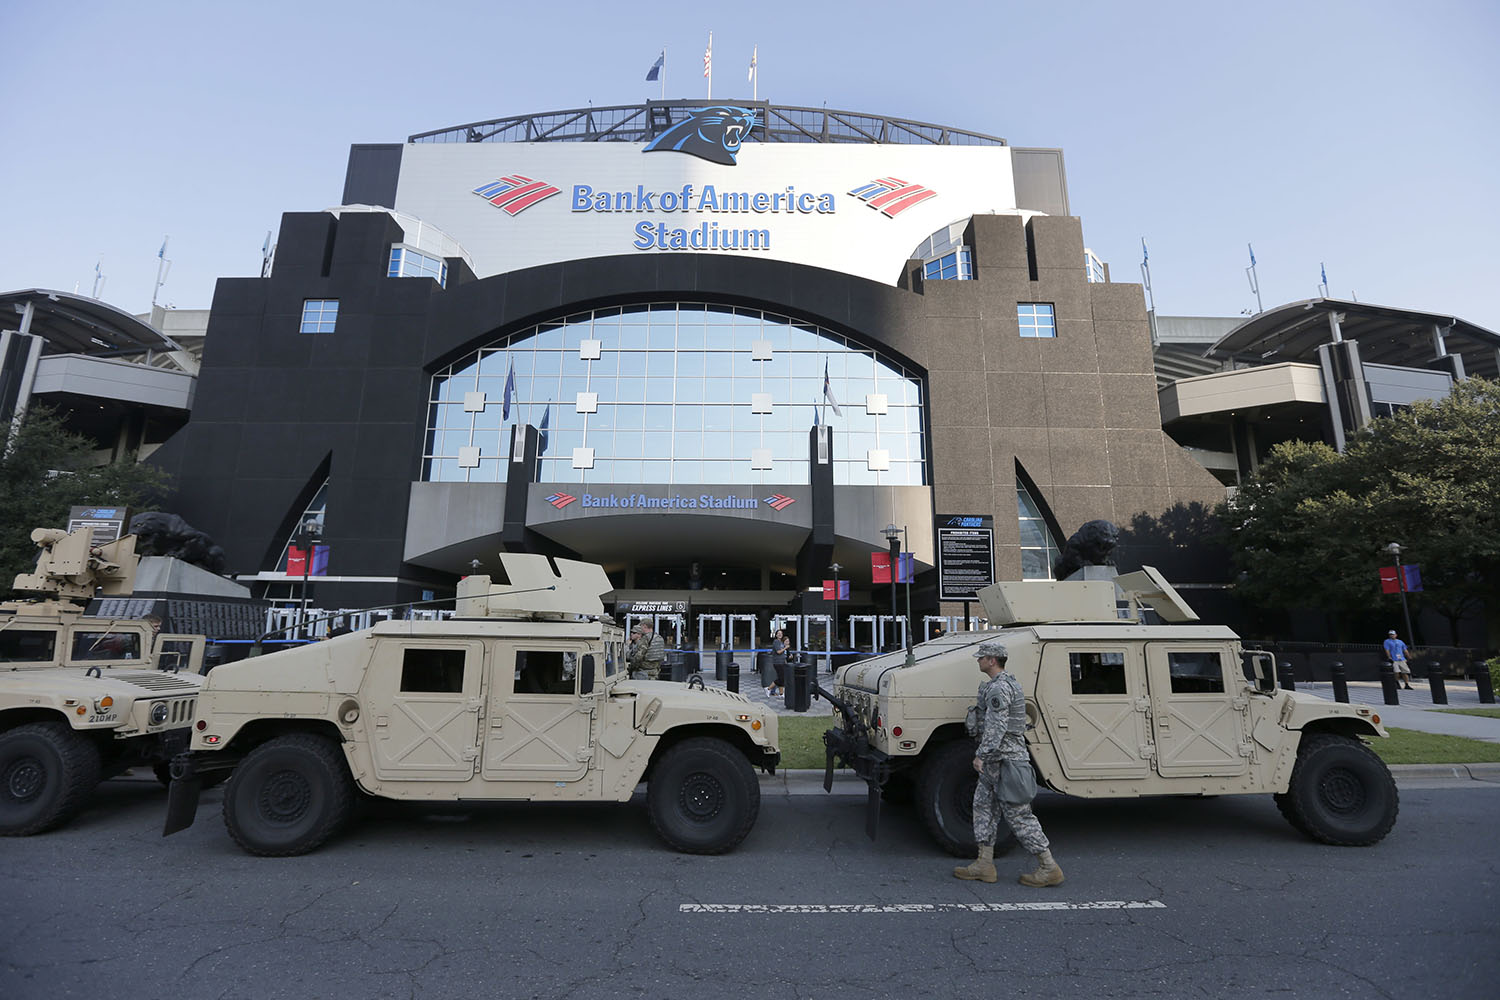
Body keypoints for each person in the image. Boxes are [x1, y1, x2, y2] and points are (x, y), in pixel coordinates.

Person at [954, 641, 1064, 888]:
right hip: (996, 763)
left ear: (992, 660)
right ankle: (984, 864)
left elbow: (997, 727)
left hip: (1007, 762)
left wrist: (981, 754)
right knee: (983, 808)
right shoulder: (999, 685)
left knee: (1019, 815)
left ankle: (1048, 867)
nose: (978, 660)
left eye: (981, 657)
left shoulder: (1000, 688)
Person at [768, 629, 790, 697]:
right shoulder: (776, 642)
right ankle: (768, 688)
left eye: (781, 633)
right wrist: (785, 648)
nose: (780, 634)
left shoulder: (781, 642)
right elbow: (778, 652)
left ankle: (781, 693)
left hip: (782, 662)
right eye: (778, 633)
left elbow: (783, 654)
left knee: (782, 678)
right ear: (776, 635)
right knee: (781, 678)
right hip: (777, 662)